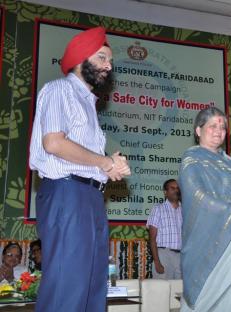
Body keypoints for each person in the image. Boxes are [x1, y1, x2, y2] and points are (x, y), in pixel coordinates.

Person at [29, 27, 131, 312]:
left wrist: (109, 166)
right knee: (67, 287)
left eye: (109, 60)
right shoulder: (59, 90)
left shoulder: (89, 105)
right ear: (79, 58)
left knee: (93, 287)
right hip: (67, 194)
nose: (108, 66)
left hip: (90, 197)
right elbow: (53, 143)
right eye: (102, 57)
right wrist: (103, 162)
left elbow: (82, 157)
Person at [179, 107, 231, 311]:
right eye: (212, 126)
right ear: (198, 130)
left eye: (223, 127)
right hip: (207, 239)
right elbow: (197, 196)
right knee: (204, 298)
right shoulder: (191, 159)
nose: (218, 131)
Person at [147, 179, 183, 279]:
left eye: (177, 188)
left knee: (179, 292)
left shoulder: (185, 210)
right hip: (164, 255)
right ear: (165, 192)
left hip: (181, 257)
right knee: (162, 291)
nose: (176, 190)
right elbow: (152, 239)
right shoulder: (158, 209)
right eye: (172, 188)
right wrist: (157, 262)